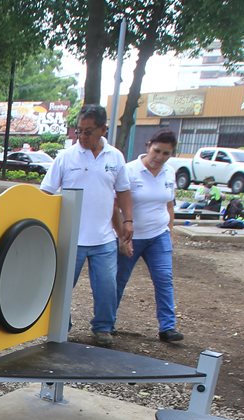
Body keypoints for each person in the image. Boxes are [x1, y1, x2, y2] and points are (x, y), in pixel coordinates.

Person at [40, 104, 132, 347]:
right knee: (61, 286)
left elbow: (123, 191)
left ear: (103, 129)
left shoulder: (115, 157)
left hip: (103, 238)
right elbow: (46, 193)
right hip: (71, 238)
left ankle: (103, 328)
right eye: (78, 131)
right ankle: (61, 324)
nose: (81, 137)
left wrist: (128, 222)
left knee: (107, 286)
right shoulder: (66, 157)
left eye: (88, 131)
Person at [114, 129, 183, 343]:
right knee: (118, 279)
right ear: (148, 146)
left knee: (164, 279)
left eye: (166, 154)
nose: (160, 158)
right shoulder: (129, 171)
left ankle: (168, 327)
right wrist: (121, 235)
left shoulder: (169, 172)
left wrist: (170, 230)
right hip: (131, 235)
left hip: (158, 234)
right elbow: (116, 205)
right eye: (157, 151)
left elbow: (169, 204)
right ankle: (106, 322)